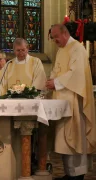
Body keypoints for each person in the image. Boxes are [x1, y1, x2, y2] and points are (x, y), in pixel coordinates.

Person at [46, 24, 96, 180]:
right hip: (62, 100)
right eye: (53, 38)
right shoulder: (61, 50)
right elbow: (56, 69)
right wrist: (51, 81)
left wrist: (57, 83)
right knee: (65, 141)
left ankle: (78, 174)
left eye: (56, 37)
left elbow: (77, 73)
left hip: (75, 100)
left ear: (65, 33)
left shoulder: (77, 49)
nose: (54, 41)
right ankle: (69, 173)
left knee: (76, 137)